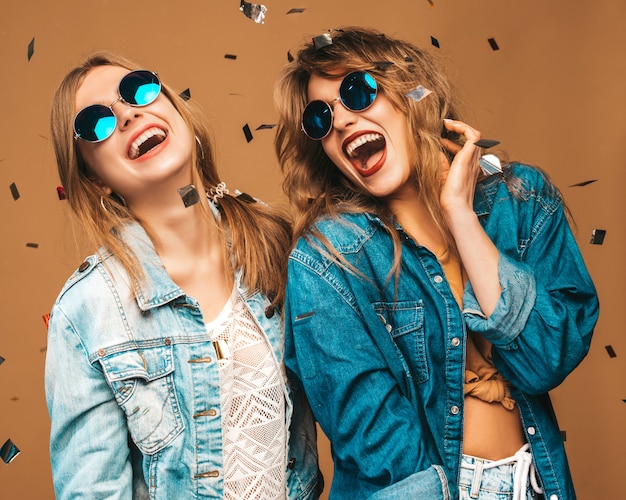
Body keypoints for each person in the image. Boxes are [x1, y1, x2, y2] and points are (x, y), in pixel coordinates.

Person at [274, 27, 599, 499]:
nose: (342, 121)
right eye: (321, 119)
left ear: (411, 93)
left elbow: (547, 360)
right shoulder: (328, 258)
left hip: (538, 482)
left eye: (357, 92)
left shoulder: (519, 199)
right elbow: (374, 441)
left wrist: (461, 217)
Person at [44, 51, 322, 500]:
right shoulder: (87, 311)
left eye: (138, 89)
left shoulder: (275, 246)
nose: (130, 114)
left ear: (174, 108)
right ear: (95, 180)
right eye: (97, 122)